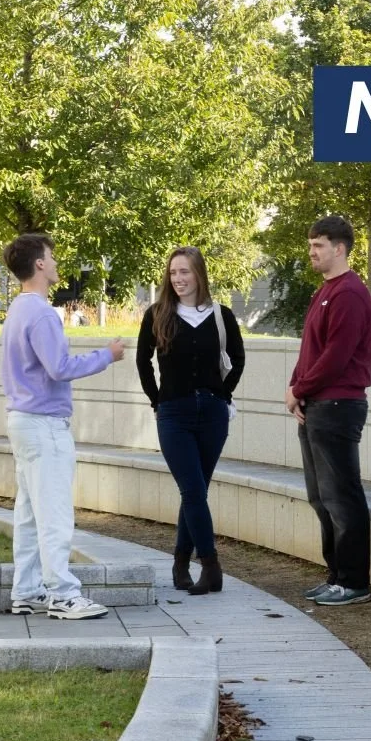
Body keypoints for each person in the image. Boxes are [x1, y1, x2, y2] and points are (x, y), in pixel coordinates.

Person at [0, 233, 125, 620]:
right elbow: (60, 368)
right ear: (39, 264)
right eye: (51, 257)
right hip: (44, 424)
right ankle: (63, 595)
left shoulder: (17, 310)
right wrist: (107, 355)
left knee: (28, 513)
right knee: (53, 513)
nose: (55, 263)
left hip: (22, 421)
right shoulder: (40, 313)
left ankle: (27, 590)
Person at [137, 246, 245, 594]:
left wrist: (221, 394)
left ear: (199, 273)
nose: (178, 279)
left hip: (213, 415)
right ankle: (211, 566)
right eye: (173, 273)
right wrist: (158, 401)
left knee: (195, 490)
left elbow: (238, 359)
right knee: (193, 489)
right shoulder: (158, 314)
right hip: (174, 414)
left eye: (185, 272)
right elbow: (142, 362)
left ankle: (181, 563)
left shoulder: (220, 314)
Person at [286, 215, 371, 607]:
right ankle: (336, 575)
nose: (311, 253)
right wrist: (296, 388)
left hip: (338, 406)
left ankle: (354, 581)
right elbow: (311, 350)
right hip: (317, 404)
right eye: (310, 246)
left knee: (342, 496)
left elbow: (336, 357)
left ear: (339, 248)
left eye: (318, 246)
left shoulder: (350, 294)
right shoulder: (325, 291)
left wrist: (301, 389)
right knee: (320, 497)